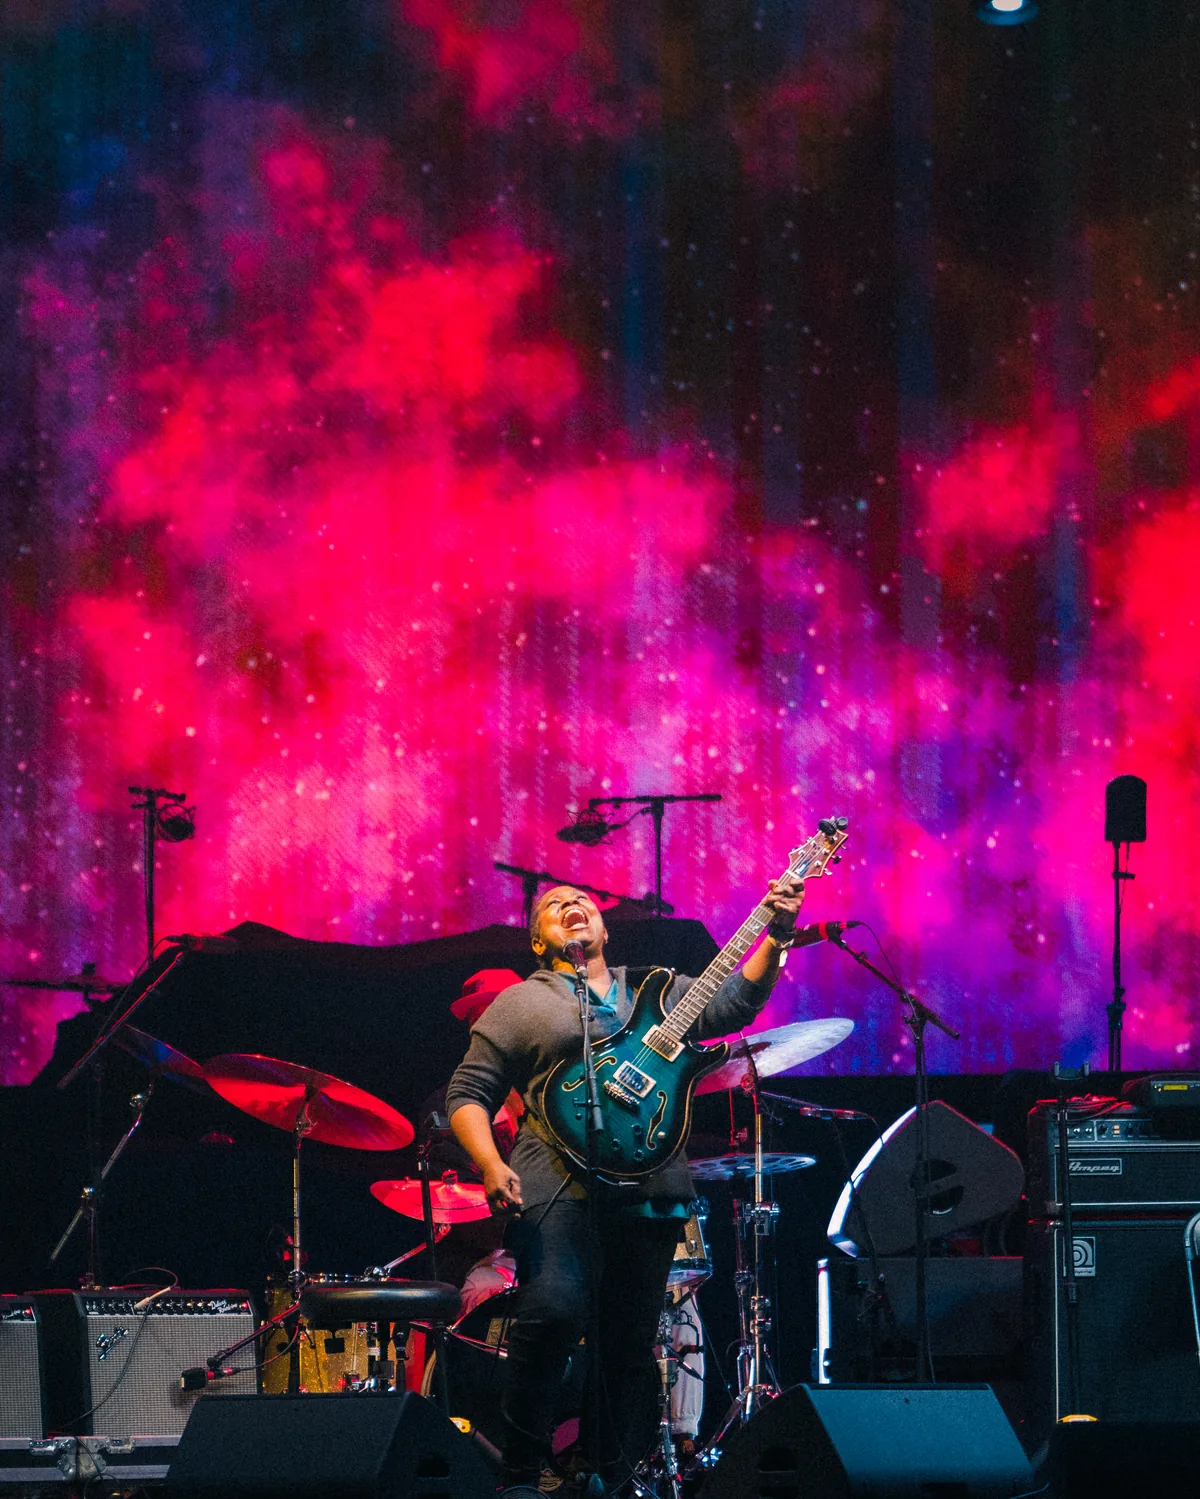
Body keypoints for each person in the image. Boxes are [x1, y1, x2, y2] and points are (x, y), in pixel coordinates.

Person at [445, 877, 805, 1494]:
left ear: (605, 929)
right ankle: (522, 1477)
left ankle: (603, 1477)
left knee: (629, 1346)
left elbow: (739, 1002)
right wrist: (487, 1163)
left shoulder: (659, 989)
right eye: (554, 906)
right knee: (550, 1316)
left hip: (651, 1188)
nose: (573, 907)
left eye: (582, 902)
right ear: (538, 940)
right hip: (555, 1184)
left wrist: (778, 932)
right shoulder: (520, 1003)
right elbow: (467, 1092)